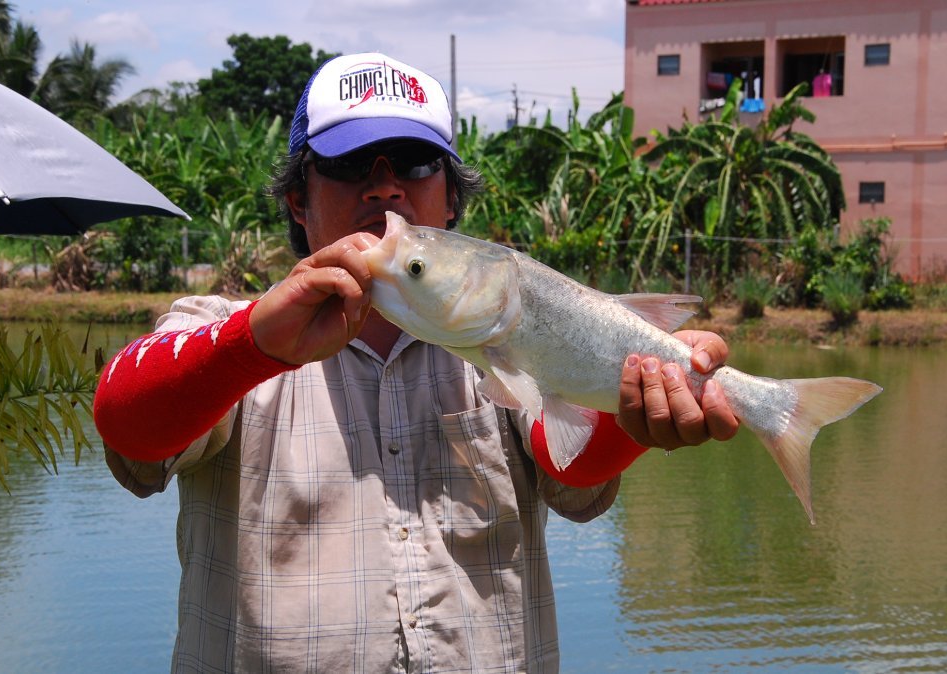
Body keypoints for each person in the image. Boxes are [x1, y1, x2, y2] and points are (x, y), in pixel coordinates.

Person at [94, 52, 739, 673]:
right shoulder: (223, 332)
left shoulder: (500, 335)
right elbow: (127, 422)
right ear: (298, 200)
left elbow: (567, 466)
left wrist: (633, 415)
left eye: (414, 161)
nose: (384, 187)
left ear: (451, 199)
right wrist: (253, 346)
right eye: (348, 164)